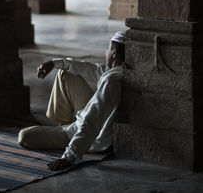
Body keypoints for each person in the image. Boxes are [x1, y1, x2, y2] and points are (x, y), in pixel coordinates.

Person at [18, 31, 128, 171]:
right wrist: (54, 63)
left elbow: (92, 119)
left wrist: (69, 156)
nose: (105, 51)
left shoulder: (111, 80)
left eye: (107, 48)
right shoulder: (118, 72)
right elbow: (90, 69)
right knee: (65, 73)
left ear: (114, 53)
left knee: (24, 136)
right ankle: (61, 126)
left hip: (87, 135)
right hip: (84, 123)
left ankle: (63, 132)